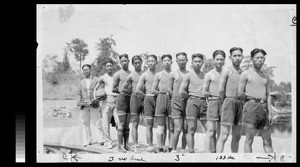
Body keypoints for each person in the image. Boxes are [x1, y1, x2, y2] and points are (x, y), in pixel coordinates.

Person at [238, 48, 274, 153]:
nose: (260, 60)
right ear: (252, 59)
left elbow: (268, 95)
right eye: (257, 58)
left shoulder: (265, 76)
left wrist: (270, 113)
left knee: (268, 141)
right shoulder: (245, 74)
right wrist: (250, 104)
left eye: (262, 58)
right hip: (251, 108)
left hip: (264, 109)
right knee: (249, 140)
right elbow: (240, 93)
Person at [216, 47, 244, 153]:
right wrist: (225, 102)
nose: (237, 58)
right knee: (224, 135)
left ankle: (234, 158)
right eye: (235, 56)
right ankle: (218, 158)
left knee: (237, 136)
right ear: (230, 57)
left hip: (240, 104)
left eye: (239, 55)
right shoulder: (227, 70)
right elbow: (221, 89)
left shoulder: (243, 72)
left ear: (242, 57)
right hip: (229, 102)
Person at [179, 53, 207, 153]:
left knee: (210, 129)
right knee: (191, 129)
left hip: (204, 103)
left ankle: (210, 152)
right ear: (192, 63)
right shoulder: (188, 75)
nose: (197, 63)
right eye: (195, 61)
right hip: (192, 102)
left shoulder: (206, 75)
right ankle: (191, 152)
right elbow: (181, 91)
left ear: (203, 63)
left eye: (199, 61)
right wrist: (192, 96)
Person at [76, 64, 106, 147]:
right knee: (85, 123)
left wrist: (98, 99)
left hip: (94, 104)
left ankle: (101, 139)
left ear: (90, 70)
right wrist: (78, 102)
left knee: (97, 122)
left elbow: (101, 90)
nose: (86, 71)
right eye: (84, 70)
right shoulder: (81, 82)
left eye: (87, 69)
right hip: (84, 104)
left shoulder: (96, 80)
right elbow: (79, 93)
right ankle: (87, 140)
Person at [203, 50, 226, 153]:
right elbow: (204, 91)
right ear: (213, 60)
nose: (219, 61)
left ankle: (218, 155)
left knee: (222, 133)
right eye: (217, 59)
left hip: (225, 103)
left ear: (224, 60)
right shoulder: (209, 74)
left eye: (221, 59)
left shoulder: (227, 73)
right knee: (211, 131)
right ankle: (208, 155)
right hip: (213, 103)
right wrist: (211, 95)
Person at [135, 54, 158, 153]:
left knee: (162, 124)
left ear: (156, 62)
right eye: (149, 61)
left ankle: (162, 146)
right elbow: (137, 90)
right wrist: (146, 96)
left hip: (159, 99)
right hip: (149, 99)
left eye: (153, 61)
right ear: (147, 63)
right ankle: (150, 146)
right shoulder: (145, 74)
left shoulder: (160, 74)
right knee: (149, 124)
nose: (151, 63)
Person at [151, 54, 174, 153]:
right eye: (165, 60)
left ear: (171, 62)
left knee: (171, 126)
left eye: (168, 60)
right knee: (161, 125)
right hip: (161, 98)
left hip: (172, 99)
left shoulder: (174, 74)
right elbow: (153, 90)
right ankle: (160, 147)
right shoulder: (159, 74)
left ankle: (170, 147)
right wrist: (161, 93)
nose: (167, 62)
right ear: (162, 62)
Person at [94, 59, 118, 149]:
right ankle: (108, 142)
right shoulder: (103, 77)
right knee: (105, 122)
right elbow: (96, 88)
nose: (109, 67)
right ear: (105, 67)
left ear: (113, 66)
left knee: (119, 122)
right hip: (106, 100)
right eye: (107, 66)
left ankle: (121, 142)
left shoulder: (117, 75)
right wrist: (96, 98)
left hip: (117, 99)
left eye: (110, 66)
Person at [122, 55, 144, 153]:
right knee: (135, 122)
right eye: (135, 63)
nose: (137, 64)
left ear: (142, 62)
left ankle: (150, 145)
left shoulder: (146, 73)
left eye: (139, 62)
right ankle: (136, 145)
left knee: (148, 122)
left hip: (145, 98)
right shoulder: (131, 75)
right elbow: (123, 88)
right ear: (133, 64)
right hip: (134, 98)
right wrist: (131, 93)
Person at [168, 52, 189, 153]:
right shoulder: (173, 73)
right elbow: (169, 88)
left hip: (187, 102)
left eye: (183, 59)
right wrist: (176, 97)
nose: (181, 62)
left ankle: (184, 149)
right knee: (178, 127)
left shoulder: (190, 73)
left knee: (186, 127)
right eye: (179, 60)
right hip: (176, 102)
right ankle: (173, 149)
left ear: (187, 60)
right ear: (176, 61)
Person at [112, 54, 132, 153]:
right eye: (122, 61)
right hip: (121, 99)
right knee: (121, 123)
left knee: (127, 124)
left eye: (126, 60)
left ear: (128, 61)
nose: (124, 62)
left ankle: (126, 144)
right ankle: (120, 146)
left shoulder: (131, 73)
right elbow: (113, 88)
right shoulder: (117, 74)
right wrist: (121, 93)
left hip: (130, 100)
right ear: (120, 62)